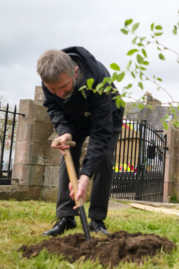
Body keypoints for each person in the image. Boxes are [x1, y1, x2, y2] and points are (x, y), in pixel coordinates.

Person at [37, 46, 124, 236]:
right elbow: (53, 106)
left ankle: (97, 220)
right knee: (67, 154)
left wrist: (84, 177)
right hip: (73, 117)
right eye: (53, 89)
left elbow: (101, 134)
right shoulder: (49, 78)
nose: (58, 93)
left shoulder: (99, 79)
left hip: (108, 116)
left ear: (75, 72)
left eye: (63, 87)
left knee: (104, 159)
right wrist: (65, 132)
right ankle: (67, 217)